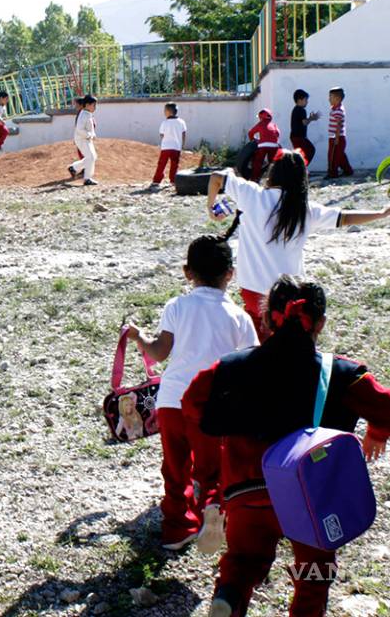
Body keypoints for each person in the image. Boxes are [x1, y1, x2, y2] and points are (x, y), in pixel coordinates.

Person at [181, 276, 390, 617]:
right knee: (314, 573)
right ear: (320, 323)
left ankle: (229, 597)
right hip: (311, 497)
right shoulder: (341, 373)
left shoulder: (231, 367)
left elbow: (192, 401)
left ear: (266, 318)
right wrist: (377, 432)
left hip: (247, 491)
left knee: (243, 560)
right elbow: (389, 411)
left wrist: (235, 422)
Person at [127, 229, 258, 550]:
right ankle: (212, 507)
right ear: (231, 274)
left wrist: (137, 336)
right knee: (211, 468)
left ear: (187, 272)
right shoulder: (239, 318)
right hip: (213, 407)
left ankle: (176, 528)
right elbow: (252, 366)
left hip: (172, 401)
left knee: (175, 468)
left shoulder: (177, 306)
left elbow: (158, 353)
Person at [205, 153, 390, 339]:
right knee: (286, 341)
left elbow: (216, 177)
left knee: (258, 342)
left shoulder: (252, 195)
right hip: (288, 293)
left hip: (251, 289)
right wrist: (380, 213)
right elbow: (345, 218)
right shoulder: (304, 209)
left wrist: (211, 208)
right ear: (301, 180)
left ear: (273, 172)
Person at [151, 102, 187, 189]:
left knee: (162, 164)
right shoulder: (181, 122)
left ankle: (157, 180)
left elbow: (161, 135)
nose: (164, 112)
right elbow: (184, 134)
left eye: (165, 110)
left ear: (168, 111)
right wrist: (182, 145)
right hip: (176, 147)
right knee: (174, 164)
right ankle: (173, 180)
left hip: (166, 147)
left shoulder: (164, 123)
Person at [68, 94, 99, 186]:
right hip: (82, 139)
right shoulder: (83, 115)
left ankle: (74, 168)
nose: (95, 107)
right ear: (87, 105)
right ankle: (87, 179)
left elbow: (90, 128)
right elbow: (79, 130)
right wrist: (89, 135)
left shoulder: (87, 114)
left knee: (93, 157)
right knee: (91, 157)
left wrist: (92, 134)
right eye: (93, 105)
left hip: (86, 139)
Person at [326, 87, 354, 179]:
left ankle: (332, 173)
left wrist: (336, 138)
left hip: (337, 137)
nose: (329, 99)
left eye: (331, 97)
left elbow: (339, 124)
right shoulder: (334, 108)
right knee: (340, 155)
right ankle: (348, 170)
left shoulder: (338, 110)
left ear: (337, 98)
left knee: (333, 156)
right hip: (335, 137)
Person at [246, 109, 281, 181]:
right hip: (274, 145)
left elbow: (250, 132)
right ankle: (274, 179)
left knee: (258, 162)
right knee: (273, 163)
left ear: (261, 117)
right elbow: (278, 133)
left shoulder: (260, 124)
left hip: (262, 145)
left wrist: (253, 140)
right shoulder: (274, 125)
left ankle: (255, 178)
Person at [289, 89, 319, 167]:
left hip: (296, 137)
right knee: (309, 151)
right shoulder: (301, 110)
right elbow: (304, 122)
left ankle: (300, 169)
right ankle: (300, 169)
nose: (307, 102)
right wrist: (311, 118)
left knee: (302, 154)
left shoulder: (296, 109)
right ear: (299, 100)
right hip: (298, 137)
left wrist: (310, 118)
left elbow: (304, 122)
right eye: (306, 100)